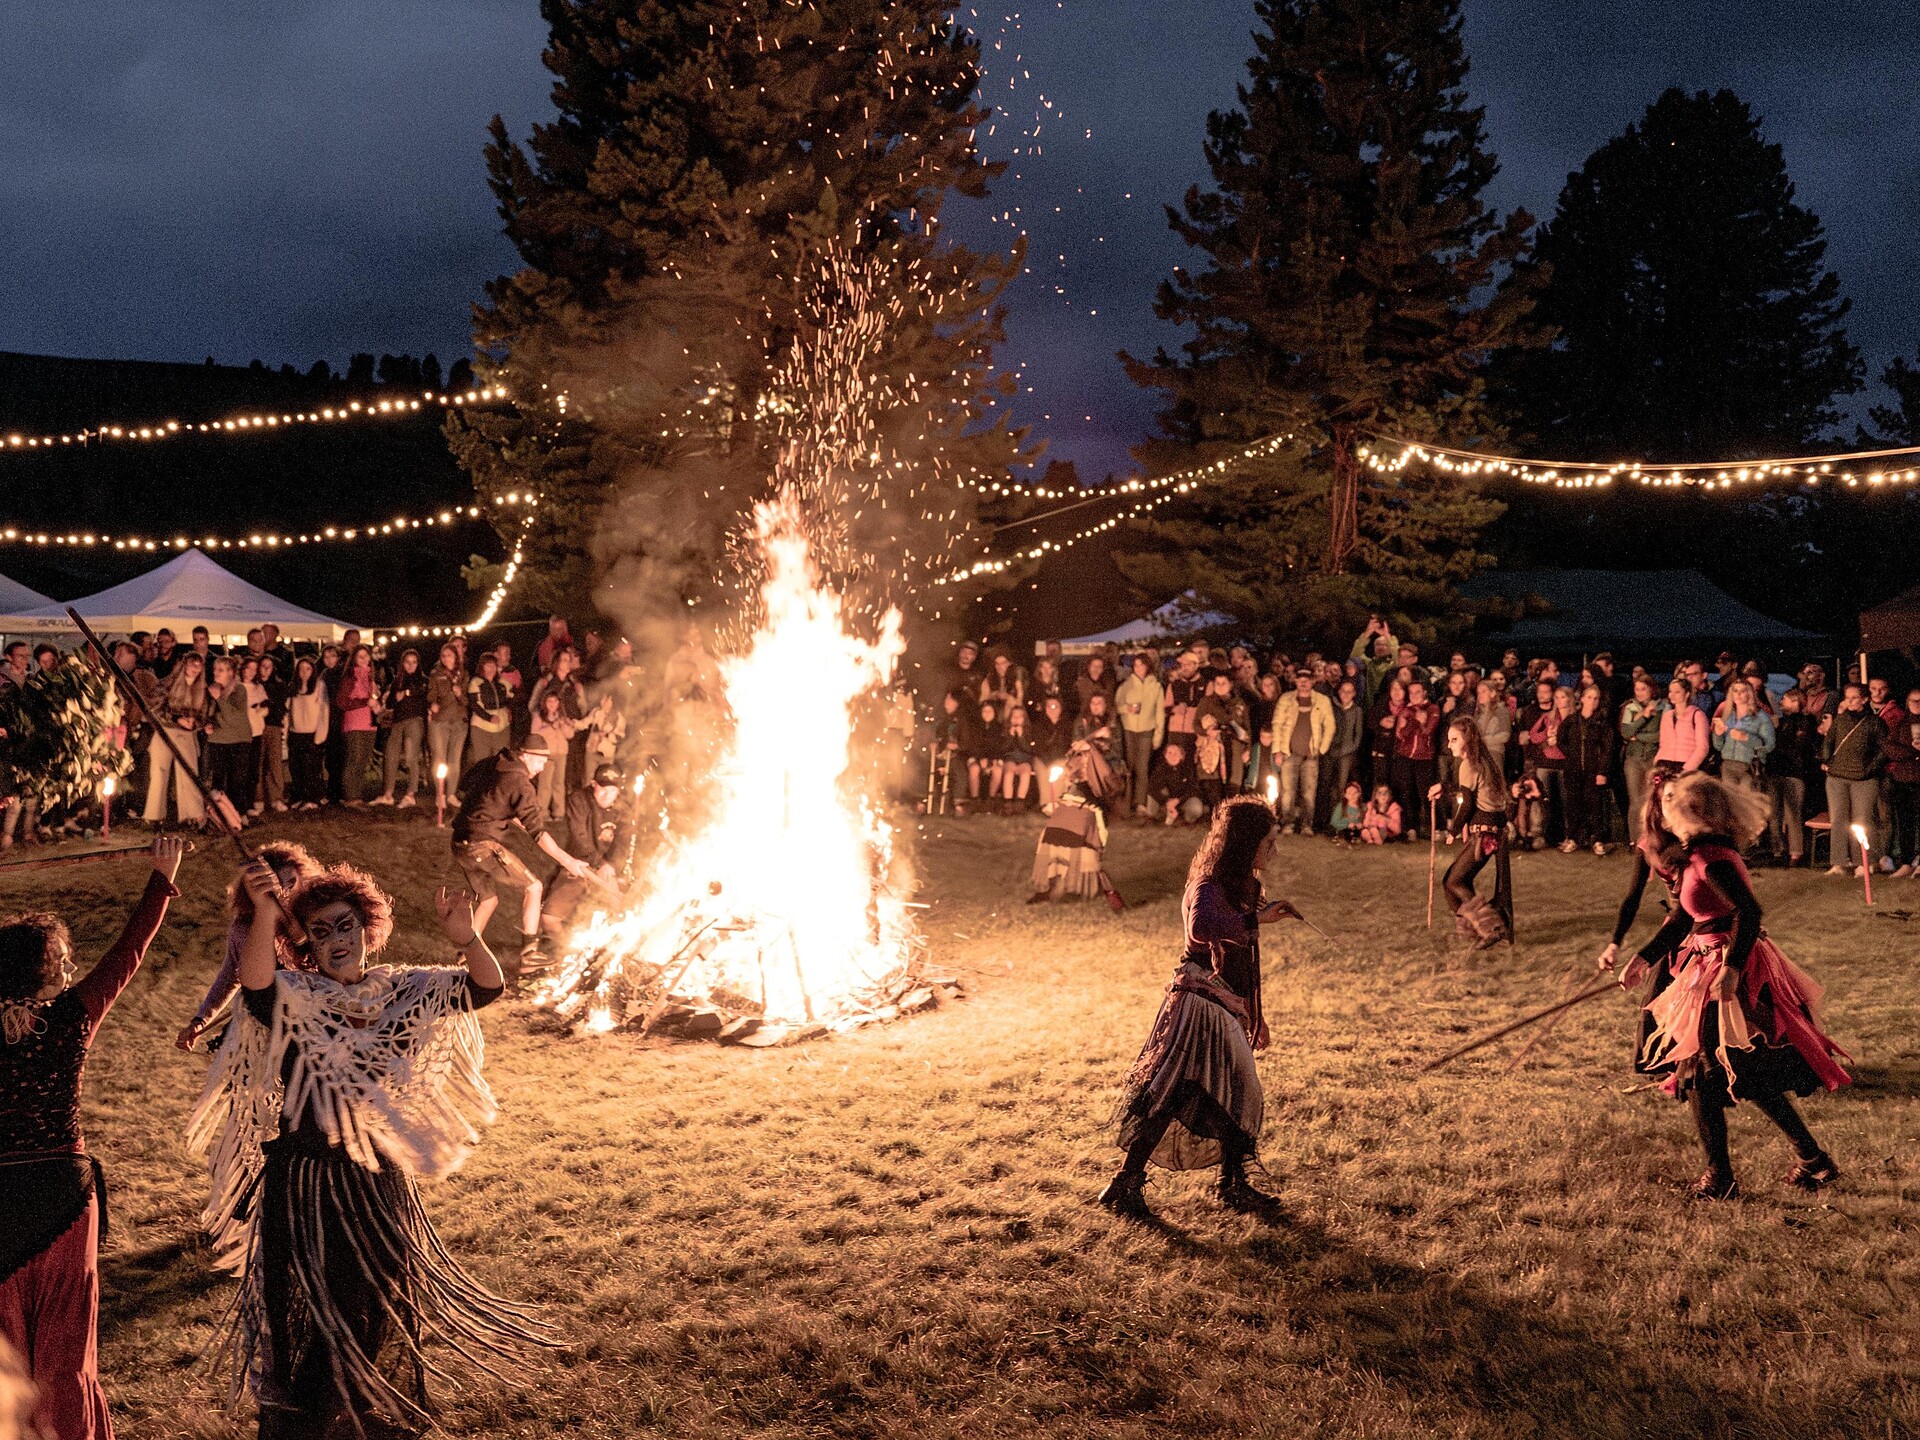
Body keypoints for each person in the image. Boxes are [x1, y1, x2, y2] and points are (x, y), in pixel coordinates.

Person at [187, 861, 547, 1437]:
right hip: (306, 1184)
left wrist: (467, 937)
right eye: (321, 931)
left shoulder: (400, 991)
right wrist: (261, 915)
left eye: (345, 925)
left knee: (376, 1306)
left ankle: (361, 1418)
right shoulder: (292, 996)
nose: (336, 940)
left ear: (367, 927)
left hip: (379, 1181)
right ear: (302, 943)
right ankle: (309, 1423)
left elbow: (485, 987)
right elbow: (253, 983)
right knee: (310, 1316)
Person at [0, 836, 185, 1440]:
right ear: (46, 968)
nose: (72, 968)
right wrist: (161, 877)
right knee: (63, 1354)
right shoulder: (70, 1016)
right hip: (63, 1195)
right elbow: (129, 952)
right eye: (63, 960)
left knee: (5, 1356)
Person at [1606, 773, 1849, 1200]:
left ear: (1694, 812)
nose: (1664, 811)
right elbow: (1685, 918)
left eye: (1673, 803)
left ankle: (1721, 1178)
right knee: (1740, 1073)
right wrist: (1643, 958)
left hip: (1727, 967)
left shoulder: (1711, 858)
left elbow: (1750, 914)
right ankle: (1814, 1161)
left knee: (1702, 1073)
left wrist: (1732, 969)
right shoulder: (1696, 854)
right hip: (1705, 962)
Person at [1099, 796, 1302, 1219]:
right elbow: (1201, 929)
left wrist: (1255, 1013)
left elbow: (1247, 959)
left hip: (1225, 1004)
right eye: (1270, 841)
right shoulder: (1207, 885)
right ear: (1248, 845)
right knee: (1202, 1090)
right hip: (1199, 1003)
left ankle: (1220, 1184)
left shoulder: (1245, 887)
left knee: (1200, 1091)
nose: (1275, 851)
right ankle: (1141, 1183)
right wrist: (1255, 920)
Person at [451, 734, 596, 973]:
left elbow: (470, 786)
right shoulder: (521, 783)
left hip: (459, 841)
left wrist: (497, 812)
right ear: (526, 755)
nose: (541, 768)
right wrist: (568, 860)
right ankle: (530, 953)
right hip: (481, 845)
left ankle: (467, 954)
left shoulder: (495, 763)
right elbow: (538, 833)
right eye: (540, 761)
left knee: (488, 900)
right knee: (534, 887)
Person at [176, 841, 325, 1052]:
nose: (285, 892)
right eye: (278, 885)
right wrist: (200, 1020)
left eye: (292, 882)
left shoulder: (317, 919)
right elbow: (230, 976)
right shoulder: (245, 929)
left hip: (318, 1029)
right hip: (266, 1033)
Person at [1429, 716, 1512, 949]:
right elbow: (1468, 792)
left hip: (1485, 834)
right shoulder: (1484, 759)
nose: (1450, 745)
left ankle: (1490, 927)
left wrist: (1452, 829)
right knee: (1454, 881)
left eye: (1454, 739)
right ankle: (1470, 931)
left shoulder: (1470, 764)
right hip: (1492, 831)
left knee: (1453, 881)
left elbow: (1466, 804)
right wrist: (1443, 788)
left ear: (1467, 739)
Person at [538, 763, 631, 944]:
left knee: (616, 917)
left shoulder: (624, 810)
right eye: (603, 789)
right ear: (593, 784)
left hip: (606, 872)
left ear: (618, 791)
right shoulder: (578, 800)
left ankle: (600, 954)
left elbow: (623, 843)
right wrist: (598, 862)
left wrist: (609, 865)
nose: (607, 795)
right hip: (578, 865)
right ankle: (566, 952)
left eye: (612, 791)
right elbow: (579, 837)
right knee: (549, 917)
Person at [1027, 745, 1116, 905]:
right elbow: (1067, 783)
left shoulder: (1096, 761)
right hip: (1069, 805)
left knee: (1073, 832)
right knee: (1049, 834)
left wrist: (1089, 746)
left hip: (1088, 808)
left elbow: (1104, 786)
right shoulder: (1074, 758)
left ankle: (1072, 884)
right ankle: (1048, 886)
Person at [1820, 683, 1885, 877]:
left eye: (1854, 697)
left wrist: (1869, 768)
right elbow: (1828, 742)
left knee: (1862, 820)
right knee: (1838, 819)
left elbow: (1883, 750)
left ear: (1865, 699)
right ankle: (1838, 862)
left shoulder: (1874, 722)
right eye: (1847, 697)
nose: (1850, 701)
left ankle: (1863, 862)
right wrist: (1827, 760)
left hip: (1864, 779)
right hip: (1837, 777)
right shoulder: (1840, 721)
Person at [142, 653, 208, 827]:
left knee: (189, 774)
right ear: (184, 665)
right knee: (159, 772)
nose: (195, 669)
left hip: (186, 734)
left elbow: (204, 713)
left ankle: (192, 815)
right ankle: (154, 816)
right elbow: (154, 708)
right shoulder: (167, 684)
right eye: (192, 664)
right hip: (165, 731)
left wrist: (195, 723)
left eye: (198, 666)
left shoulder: (201, 689)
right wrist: (176, 718)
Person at [1269, 669, 1334, 836]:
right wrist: (1277, 750)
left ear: (1312, 682)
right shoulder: (1286, 699)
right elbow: (1277, 724)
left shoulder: (1322, 701)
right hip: (1288, 753)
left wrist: (1322, 748)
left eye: (1307, 680)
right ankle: (1288, 824)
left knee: (1309, 792)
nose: (1303, 684)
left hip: (1311, 755)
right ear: (1295, 682)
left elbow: (1330, 725)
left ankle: (1307, 825)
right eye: (1300, 680)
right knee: (1288, 793)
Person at [373, 648, 429, 807]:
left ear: (418, 664)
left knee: (411, 756)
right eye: (407, 662)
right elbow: (390, 702)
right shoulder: (397, 681)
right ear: (402, 663)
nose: (411, 665)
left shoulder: (422, 679)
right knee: (390, 755)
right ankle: (388, 794)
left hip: (414, 720)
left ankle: (410, 794)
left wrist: (406, 693)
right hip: (397, 722)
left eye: (414, 662)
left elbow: (422, 693)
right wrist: (394, 696)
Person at [1563, 684, 1616, 856]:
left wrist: (1602, 771)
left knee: (1595, 806)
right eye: (1589, 697)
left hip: (1594, 771)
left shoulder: (1602, 723)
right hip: (1573, 770)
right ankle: (1573, 838)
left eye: (1596, 698)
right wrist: (1571, 755)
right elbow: (1561, 740)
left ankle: (1597, 839)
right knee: (1573, 805)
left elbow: (1607, 749)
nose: (1592, 701)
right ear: (1582, 698)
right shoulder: (1571, 721)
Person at [1115, 655, 1164, 817]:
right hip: (1129, 730)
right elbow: (1116, 707)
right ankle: (1127, 800)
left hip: (1146, 731)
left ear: (1147, 667)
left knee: (1142, 768)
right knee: (1129, 767)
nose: (1138, 668)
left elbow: (1159, 713)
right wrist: (1127, 709)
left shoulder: (1155, 686)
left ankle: (1140, 803)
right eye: (1135, 665)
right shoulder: (1126, 685)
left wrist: (1158, 736)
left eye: (1141, 665)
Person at [1618, 675, 1665, 842]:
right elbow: (1626, 732)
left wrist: (1638, 737)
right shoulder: (1630, 707)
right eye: (1636, 689)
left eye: (1643, 689)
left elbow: (1661, 736)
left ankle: (1652, 838)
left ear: (1651, 689)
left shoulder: (1663, 707)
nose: (1639, 692)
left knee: (1651, 801)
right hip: (1633, 758)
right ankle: (1635, 839)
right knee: (1635, 801)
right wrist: (1644, 716)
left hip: (1652, 758)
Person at [1712, 678, 1775, 795]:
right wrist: (1717, 735)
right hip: (1728, 765)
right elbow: (1718, 746)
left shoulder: (1761, 717)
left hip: (1749, 766)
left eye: (1742, 691)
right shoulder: (1727, 716)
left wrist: (1747, 738)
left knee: (1747, 803)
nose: (1738, 694)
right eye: (1735, 691)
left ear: (1749, 693)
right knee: (1731, 803)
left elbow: (1769, 746)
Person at [426, 642, 470, 805]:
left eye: (450, 655)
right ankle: (440, 794)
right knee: (439, 757)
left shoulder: (464, 675)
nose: (446, 659)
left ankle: (451, 793)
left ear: (456, 657)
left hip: (459, 722)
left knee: (454, 759)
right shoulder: (436, 674)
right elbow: (431, 694)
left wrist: (459, 695)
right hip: (441, 721)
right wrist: (433, 704)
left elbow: (467, 701)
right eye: (443, 656)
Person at [334, 646, 378, 805]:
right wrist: (364, 702)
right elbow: (342, 701)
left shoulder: (371, 677)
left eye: (366, 656)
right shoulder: (350, 678)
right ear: (354, 659)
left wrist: (376, 706)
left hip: (369, 723)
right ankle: (350, 795)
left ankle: (357, 794)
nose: (364, 659)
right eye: (360, 657)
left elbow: (373, 697)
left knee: (363, 759)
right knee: (355, 758)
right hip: (354, 722)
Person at [285, 657, 330, 811]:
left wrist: (320, 735)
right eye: (301, 669)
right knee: (296, 768)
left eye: (308, 669)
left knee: (311, 768)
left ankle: (312, 798)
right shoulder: (293, 687)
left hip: (312, 733)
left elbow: (324, 711)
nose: (304, 672)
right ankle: (299, 796)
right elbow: (288, 711)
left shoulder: (319, 686)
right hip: (295, 732)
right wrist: (286, 732)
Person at [255, 655, 291, 814]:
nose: (265, 670)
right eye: (263, 666)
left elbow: (280, 707)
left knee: (274, 763)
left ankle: (276, 798)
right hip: (256, 727)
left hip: (272, 726)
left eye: (269, 667)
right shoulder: (254, 685)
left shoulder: (278, 686)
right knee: (257, 763)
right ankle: (258, 799)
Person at [466, 652, 514, 768]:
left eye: (493, 665)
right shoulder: (476, 683)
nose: (491, 668)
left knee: (501, 761)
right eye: (487, 665)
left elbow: (511, 699)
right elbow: (474, 704)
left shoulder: (503, 683)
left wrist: (509, 709)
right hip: (482, 727)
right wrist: (489, 717)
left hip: (502, 727)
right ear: (482, 667)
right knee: (483, 762)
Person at [1655, 677, 1709, 774]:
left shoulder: (1697, 715)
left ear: (1687, 694)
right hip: (1665, 764)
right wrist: (1657, 761)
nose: (1672, 695)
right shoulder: (1667, 716)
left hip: (1686, 764)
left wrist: (1687, 768)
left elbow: (1702, 747)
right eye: (1670, 691)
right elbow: (1663, 743)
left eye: (1677, 692)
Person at [1148, 740, 1203, 827]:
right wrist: (1167, 801)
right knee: (1151, 798)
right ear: (1165, 755)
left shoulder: (1188, 769)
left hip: (1182, 800)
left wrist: (1178, 800)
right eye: (1170, 752)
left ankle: (1187, 819)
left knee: (1196, 808)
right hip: (1165, 801)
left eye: (1176, 753)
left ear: (1181, 756)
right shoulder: (1160, 769)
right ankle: (1153, 816)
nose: (1173, 756)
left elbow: (1194, 788)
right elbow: (1152, 788)